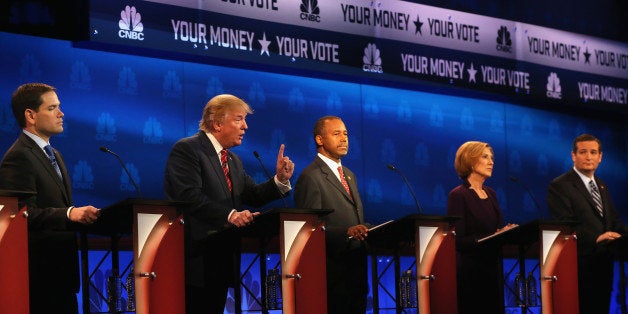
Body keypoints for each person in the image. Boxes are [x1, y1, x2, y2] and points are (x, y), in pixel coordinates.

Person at [163, 94, 294, 313]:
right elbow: (188, 196)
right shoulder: (188, 149)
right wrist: (231, 215)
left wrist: (280, 180)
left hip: (222, 260)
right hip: (195, 262)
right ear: (217, 123)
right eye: (239, 119)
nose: (246, 126)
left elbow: (252, 195)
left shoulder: (232, 159)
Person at [0, 83, 101, 314]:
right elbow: (20, 215)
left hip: (62, 277)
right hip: (39, 279)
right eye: (52, 108)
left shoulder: (54, 154)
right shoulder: (19, 157)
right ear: (31, 115)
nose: (61, 113)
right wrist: (69, 213)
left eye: (60, 107)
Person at [294, 115, 369, 314]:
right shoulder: (310, 176)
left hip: (356, 273)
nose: (344, 139)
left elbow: (354, 219)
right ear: (320, 139)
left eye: (345, 134)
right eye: (336, 134)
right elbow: (308, 229)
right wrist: (347, 232)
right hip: (332, 276)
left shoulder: (350, 175)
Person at [546, 133, 627, 314]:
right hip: (578, 266)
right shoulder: (560, 185)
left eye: (593, 152)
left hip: (604, 264)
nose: (588, 157)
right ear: (573, 155)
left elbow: (612, 221)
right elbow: (564, 224)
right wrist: (596, 238)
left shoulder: (602, 185)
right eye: (583, 152)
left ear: (600, 157)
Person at [446, 141, 517, 314]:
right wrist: (493, 236)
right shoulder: (458, 195)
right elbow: (458, 241)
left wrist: (502, 233)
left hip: (493, 268)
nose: (491, 161)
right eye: (485, 157)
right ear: (469, 161)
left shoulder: (491, 193)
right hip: (471, 272)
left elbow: (494, 231)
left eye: (491, 157)